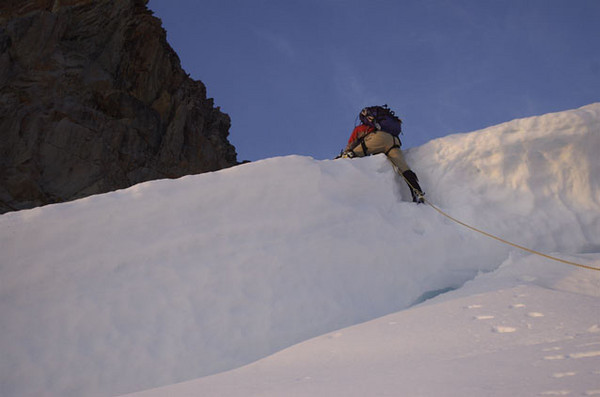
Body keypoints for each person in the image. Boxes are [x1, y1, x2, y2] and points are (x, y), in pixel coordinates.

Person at [341, 107, 425, 203]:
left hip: (379, 138)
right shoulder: (387, 126)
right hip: (394, 142)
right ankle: (417, 192)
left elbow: (353, 139)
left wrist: (348, 151)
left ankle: (346, 157)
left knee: (356, 151)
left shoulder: (364, 127)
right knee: (404, 168)